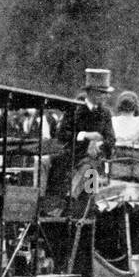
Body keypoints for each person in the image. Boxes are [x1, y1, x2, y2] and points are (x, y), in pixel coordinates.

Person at [48, 69, 116, 199]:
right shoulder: (74, 109)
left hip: (94, 160)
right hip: (71, 156)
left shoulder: (105, 113)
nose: (106, 96)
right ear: (91, 92)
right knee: (50, 162)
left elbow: (111, 140)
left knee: (89, 169)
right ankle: (59, 201)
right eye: (103, 92)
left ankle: (71, 199)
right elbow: (62, 134)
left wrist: (98, 144)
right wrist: (85, 135)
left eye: (106, 93)